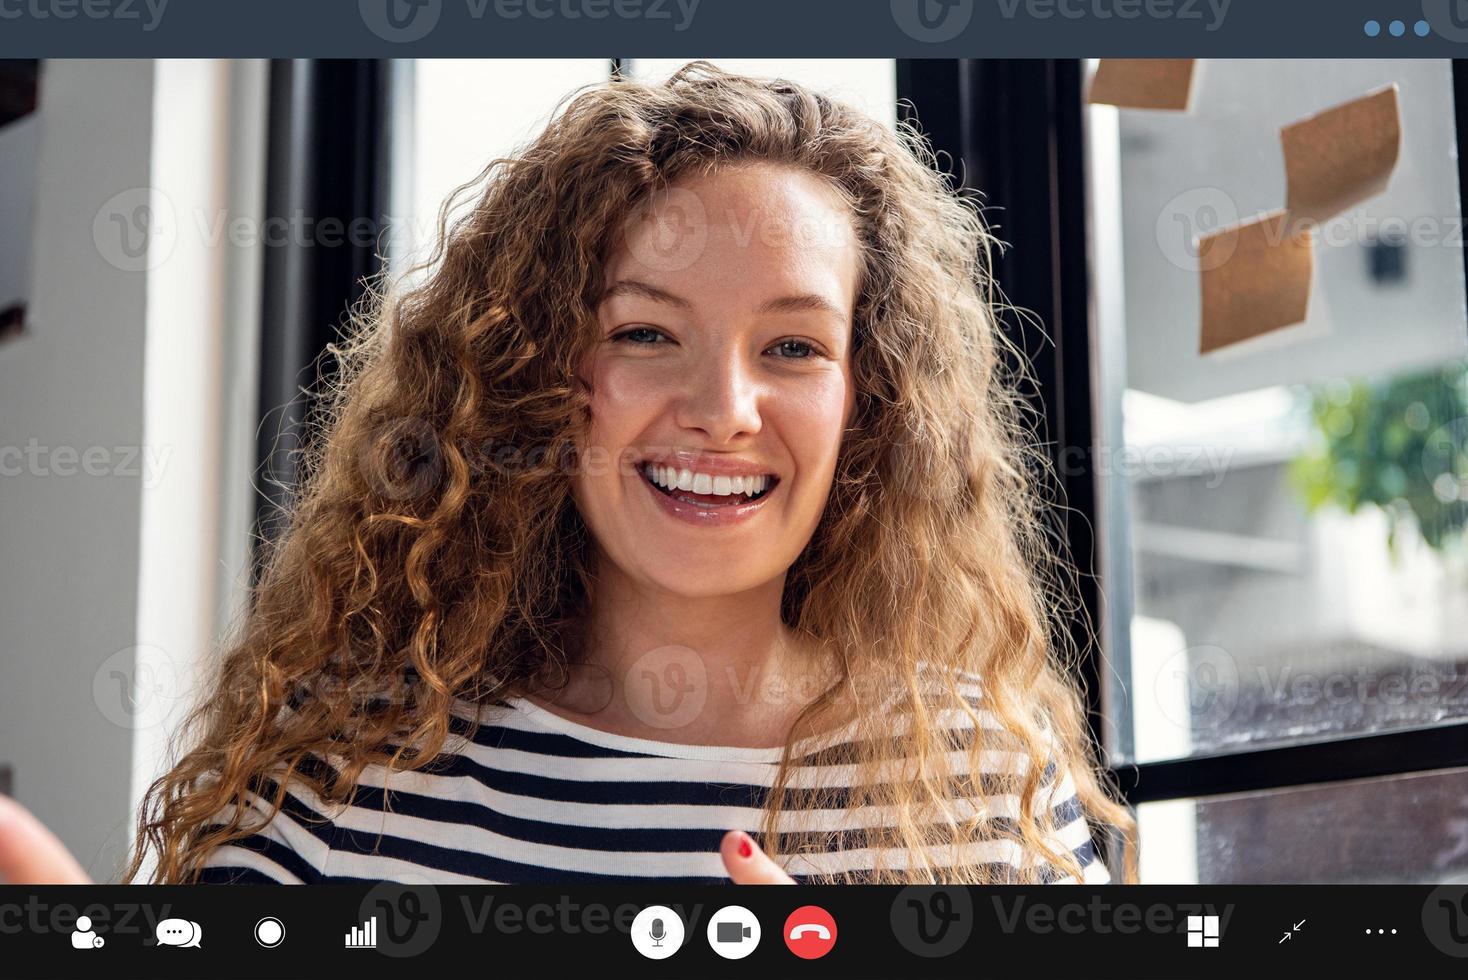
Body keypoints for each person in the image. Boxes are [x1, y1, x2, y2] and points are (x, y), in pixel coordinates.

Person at [0, 61, 1133, 886]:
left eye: (792, 346)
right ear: (534, 375)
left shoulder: (989, 785)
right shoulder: (338, 788)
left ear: (868, 403)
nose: (722, 412)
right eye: (644, 333)